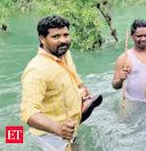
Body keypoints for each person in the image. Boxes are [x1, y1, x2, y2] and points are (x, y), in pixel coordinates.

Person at [20, 15, 93, 150]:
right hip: (51, 135)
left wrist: (82, 89)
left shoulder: (64, 53)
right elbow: (28, 112)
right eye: (56, 37)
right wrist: (58, 129)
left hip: (70, 126)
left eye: (66, 35)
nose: (63, 40)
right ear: (42, 39)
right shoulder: (37, 70)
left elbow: (73, 75)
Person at [112, 19, 146, 102]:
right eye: (139, 36)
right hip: (133, 102)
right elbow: (115, 85)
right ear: (132, 36)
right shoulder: (124, 58)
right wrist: (121, 79)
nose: (143, 39)